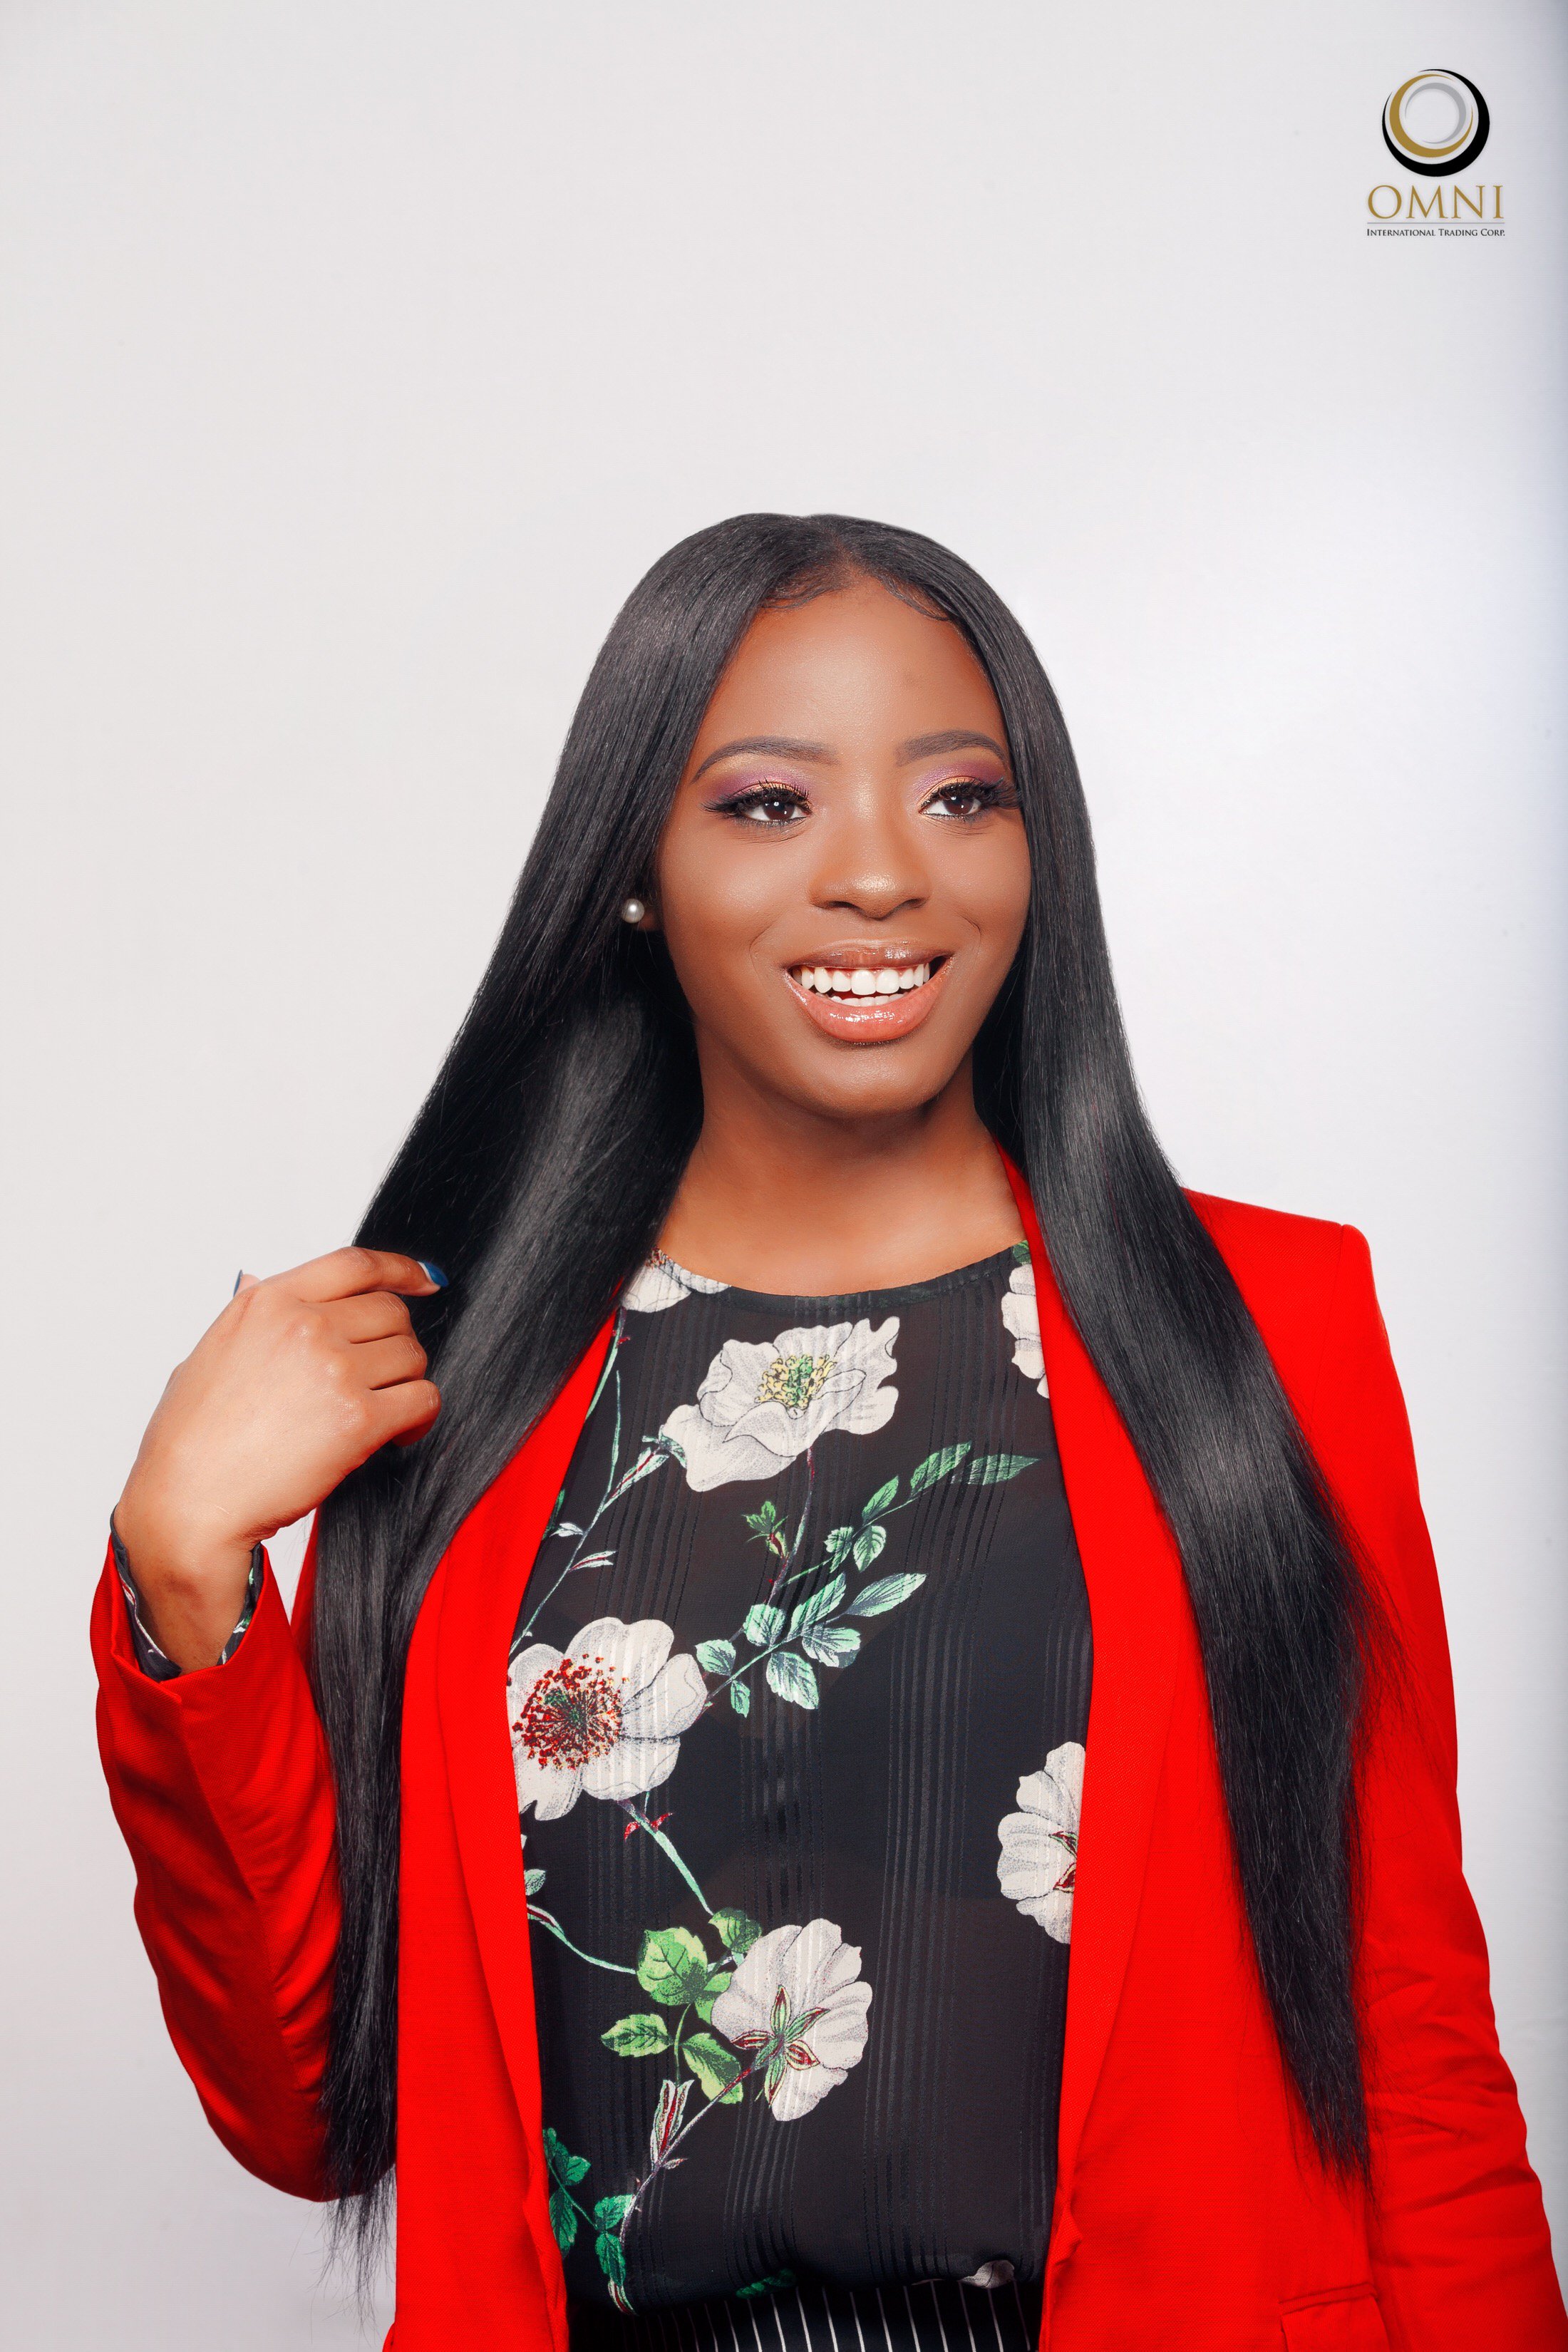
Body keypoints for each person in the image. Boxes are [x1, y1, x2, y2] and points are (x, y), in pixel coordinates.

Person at [94, 515, 1564, 2352]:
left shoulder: (1266, 1329)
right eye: (771, 805)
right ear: (634, 871)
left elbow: (1411, 2041)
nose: (880, 874)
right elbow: (314, 2111)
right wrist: (184, 1573)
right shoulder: (463, 1395)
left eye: (961, 797)